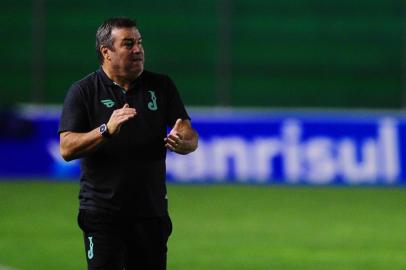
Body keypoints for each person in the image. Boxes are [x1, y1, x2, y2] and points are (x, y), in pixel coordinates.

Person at [58, 17, 198, 270]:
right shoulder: (84, 91)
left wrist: (184, 141)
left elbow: (188, 133)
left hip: (150, 213)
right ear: (106, 52)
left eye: (140, 42)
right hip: (102, 214)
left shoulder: (161, 85)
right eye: (128, 43)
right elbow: (67, 148)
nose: (138, 49)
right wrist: (105, 130)